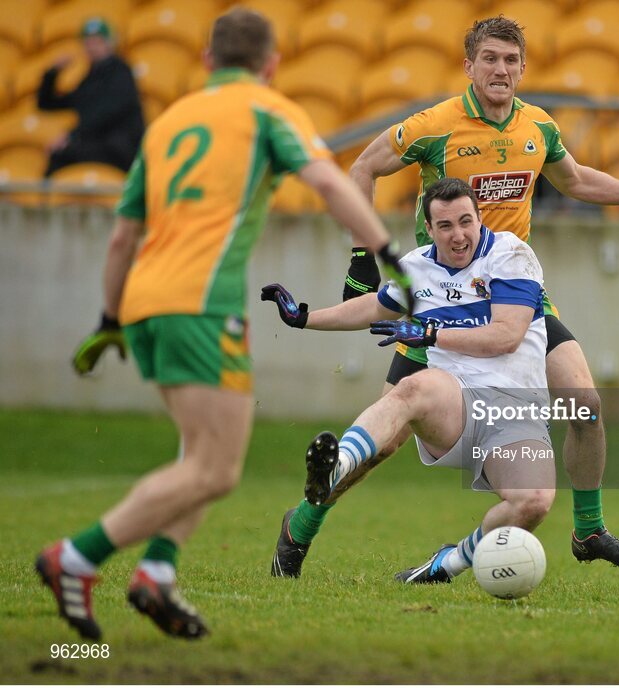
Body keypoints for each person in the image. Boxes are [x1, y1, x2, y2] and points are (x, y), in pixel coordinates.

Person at [270, 15, 619, 578]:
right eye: (490, 59)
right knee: (386, 442)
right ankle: (301, 525)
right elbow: (362, 168)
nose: (501, 70)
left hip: (516, 300)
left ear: (523, 67)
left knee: (586, 404)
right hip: (442, 302)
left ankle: (589, 529)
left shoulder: (538, 127)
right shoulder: (435, 125)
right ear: (470, 66)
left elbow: (573, 181)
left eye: (510, 60)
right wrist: (361, 255)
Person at [36, 7, 409, 641]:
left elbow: (124, 233)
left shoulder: (169, 122)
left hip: (143, 303)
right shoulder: (268, 109)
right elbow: (327, 180)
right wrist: (388, 253)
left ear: (207, 60)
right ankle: (75, 559)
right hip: (202, 305)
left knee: (200, 453)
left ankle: (157, 572)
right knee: (216, 469)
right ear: (272, 64)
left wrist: (109, 317)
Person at [264, 177, 556, 584]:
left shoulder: (512, 255)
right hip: (454, 408)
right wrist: (305, 318)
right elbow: (375, 307)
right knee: (416, 387)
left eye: (466, 222)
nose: (459, 236)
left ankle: (446, 564)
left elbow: (507, 336)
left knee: (534, 502)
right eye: (446, 226)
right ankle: (334, 469)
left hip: (515, 413)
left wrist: (433, 334)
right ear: (429, 228)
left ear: (479, 218)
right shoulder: (417, 267)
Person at [37, 17, 145, 177]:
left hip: (120, 147)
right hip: (98, 144)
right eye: (88, 42)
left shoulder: (120, 71)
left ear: (109, 43)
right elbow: (46, 104)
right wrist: (51, 74)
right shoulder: (89, 78)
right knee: (58, 156)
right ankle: (47, 201)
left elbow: (107, 112)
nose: (92, 47)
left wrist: (71, 135)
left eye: (97, 42)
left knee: (62, 154)